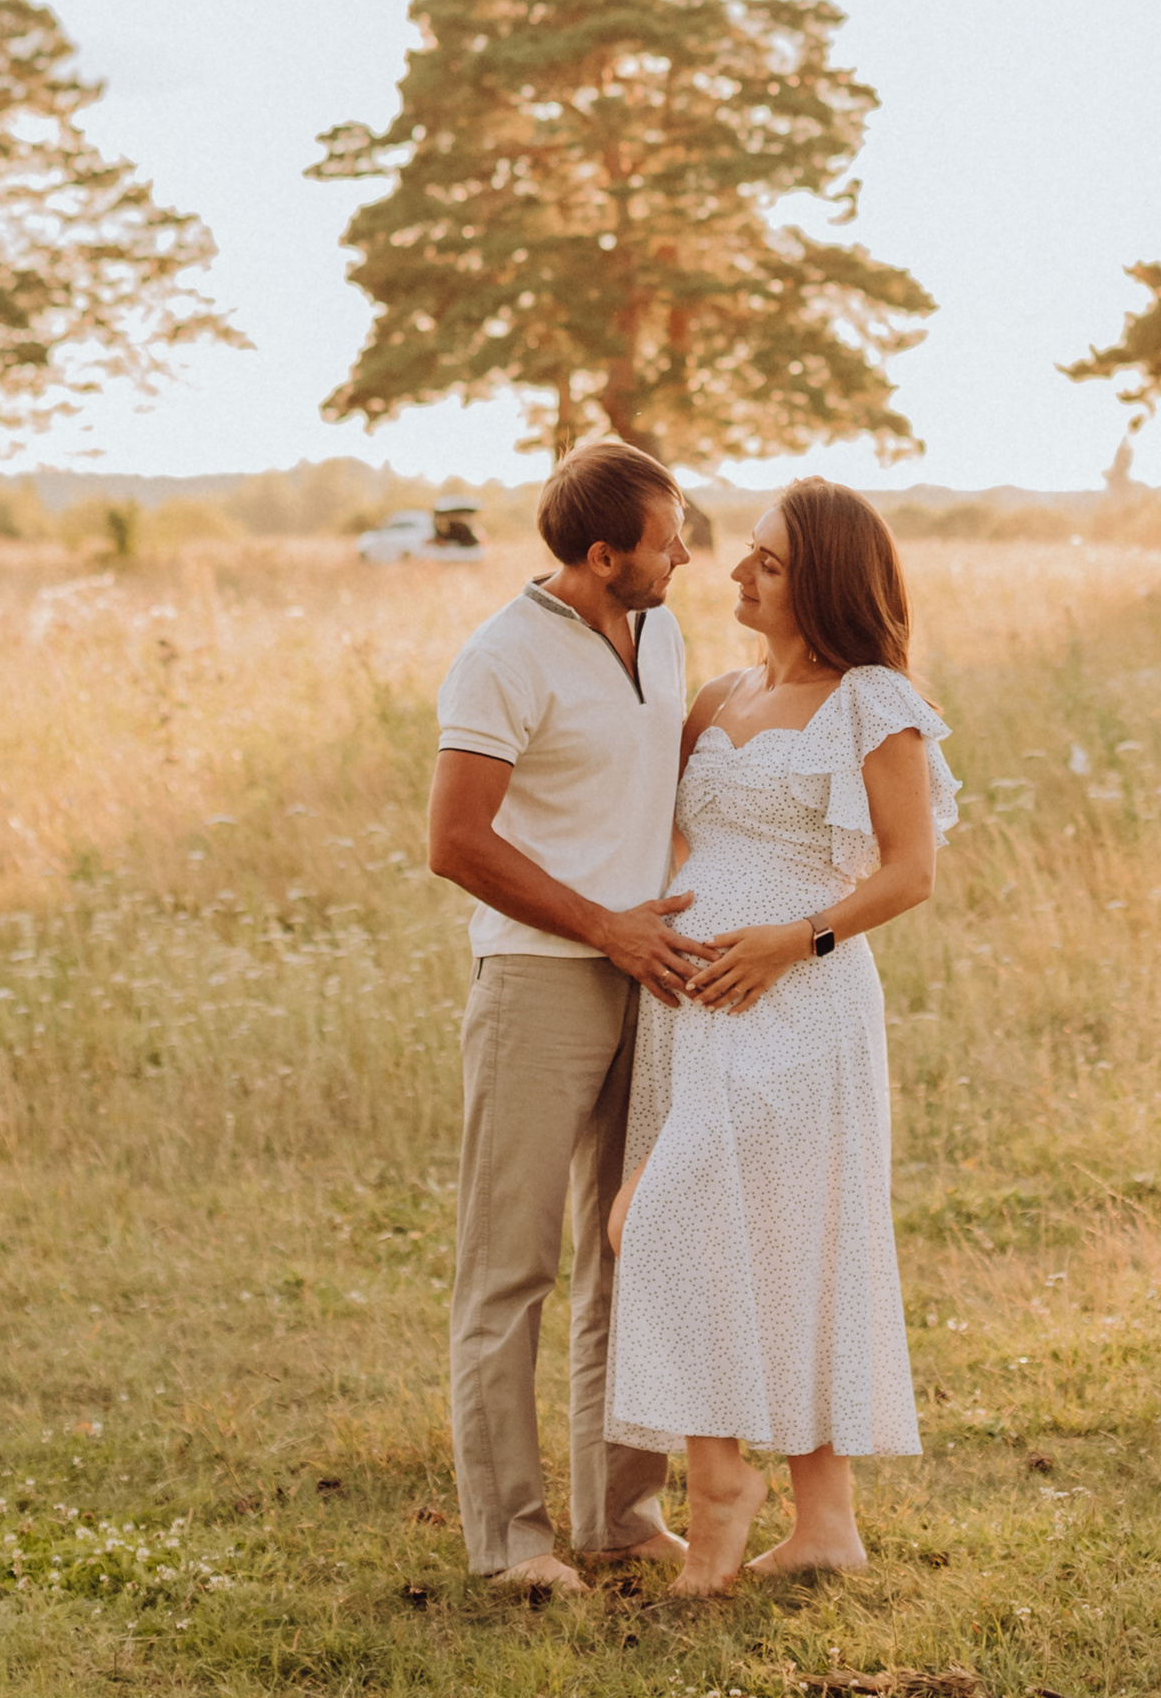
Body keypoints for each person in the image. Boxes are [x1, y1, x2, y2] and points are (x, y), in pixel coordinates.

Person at [604, 479, 959, 1594]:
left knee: (718, 1223)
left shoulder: (872, 702)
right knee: (706, 1229)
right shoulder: (714, 699)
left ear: (823, 580)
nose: (737, 572)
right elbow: (661, 840)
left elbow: (909, 872)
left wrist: (785, 944)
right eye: (743, 553)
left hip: (801, 1012)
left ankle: (739, 1494)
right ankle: (821, 1520)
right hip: (694, 1019)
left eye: (764, 558)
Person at [426, 441, 700, 1594]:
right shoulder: (498, 662)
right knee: (510, 1266)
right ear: (602, 557)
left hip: (655, 977)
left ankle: (621, 1515)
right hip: (540, 979)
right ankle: (513, 1543)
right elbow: (456, 843)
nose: (686, 551)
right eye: (666, 537)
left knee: (631, 1247)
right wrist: (607, 926)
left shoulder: (664, 630)